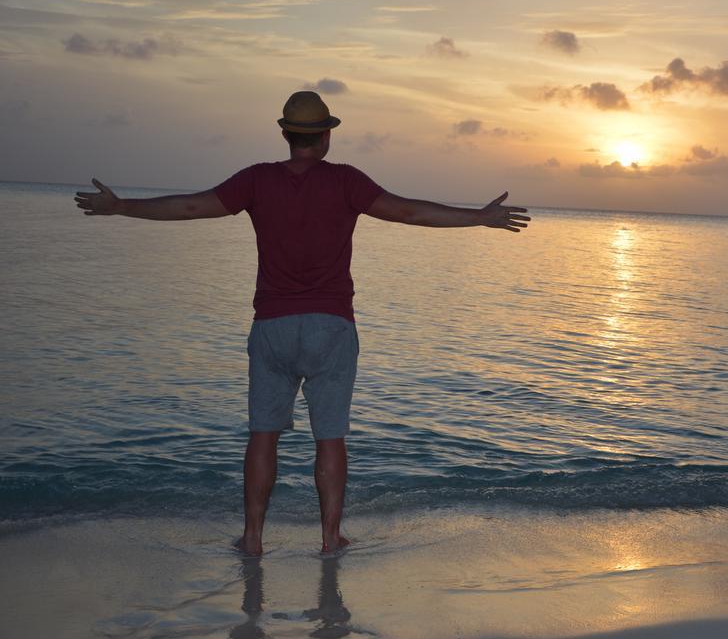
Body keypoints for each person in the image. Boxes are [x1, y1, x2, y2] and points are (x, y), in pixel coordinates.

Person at [74, 90, 530, 555]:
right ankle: (330, 538)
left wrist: (122, 206)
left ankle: (253, 537)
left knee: (263, 436)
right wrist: (479, 218)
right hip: (331, 325)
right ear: (326, 136)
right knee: (329, 437)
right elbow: (410, 211)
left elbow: (191, 207)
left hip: (272, 324)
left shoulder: (256, 180)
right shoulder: (346, 181)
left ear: (287, 134)